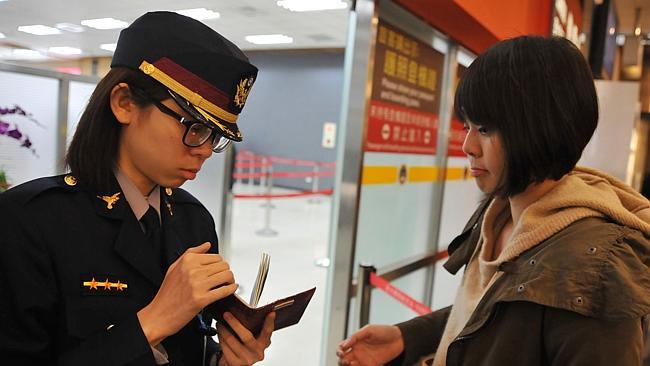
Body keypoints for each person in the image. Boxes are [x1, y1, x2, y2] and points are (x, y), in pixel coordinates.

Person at [337, 35, 650, 366]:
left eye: (484, 129)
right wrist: (408, 337)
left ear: (538, 129)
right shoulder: (498, 214)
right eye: (468, 126)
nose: (468, 146)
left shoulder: (595, 271)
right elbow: (492, 316)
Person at [0, 11, 275, 366]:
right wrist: (152, 322)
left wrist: (227, 360)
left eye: (216, 136)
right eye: (193, 125)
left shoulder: (194, 222)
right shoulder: (30, 222)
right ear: (124, 103)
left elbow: (190, 349)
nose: (206, 149)